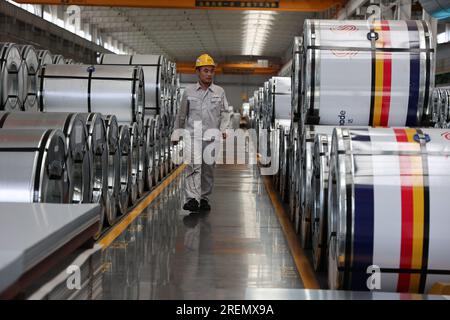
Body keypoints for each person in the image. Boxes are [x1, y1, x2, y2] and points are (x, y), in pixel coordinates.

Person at [172, 54, 230, 212]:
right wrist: (176, 133)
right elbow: (182, 114)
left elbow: (225, 113)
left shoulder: (219, 91)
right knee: (193, 167)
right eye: (206, 70)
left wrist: (224, 130)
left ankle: (203, 198)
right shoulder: (189, 91)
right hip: (193, 136)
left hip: (212, 137)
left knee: (207, 169)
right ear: (198, 72)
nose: (209, 74)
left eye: (211, 71)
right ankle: (192, 199)